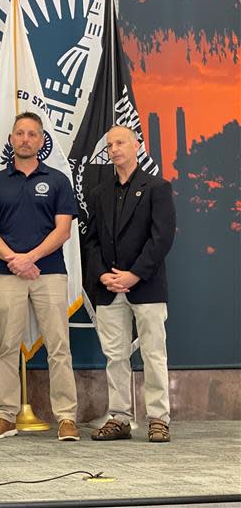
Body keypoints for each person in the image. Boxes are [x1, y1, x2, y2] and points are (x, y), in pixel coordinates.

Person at [0, 111, 80, 442]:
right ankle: (5, 415)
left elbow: (63, 230)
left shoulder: (59, 180)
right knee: (6, 346)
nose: (25, 139)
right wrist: (13, 260)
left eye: (32, 134)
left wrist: (30, 258)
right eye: (19, 133)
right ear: (11, 139)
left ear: (42, 141)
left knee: (59, 346)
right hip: (5, 275)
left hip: (49, 273)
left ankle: (66, 417)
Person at [85, 125, 176, 443]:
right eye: (110, 145)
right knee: (115, 356)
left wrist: (134, 274)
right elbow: (91, 241)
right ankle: (120, 417)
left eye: (120, 142)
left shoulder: (157, 188)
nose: (114, 149)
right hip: (109, 288)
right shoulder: (99, 193)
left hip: (146, 285)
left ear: (136, 145)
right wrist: (101, 275)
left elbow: (162, 238)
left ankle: (158, 418)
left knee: (154, 352)